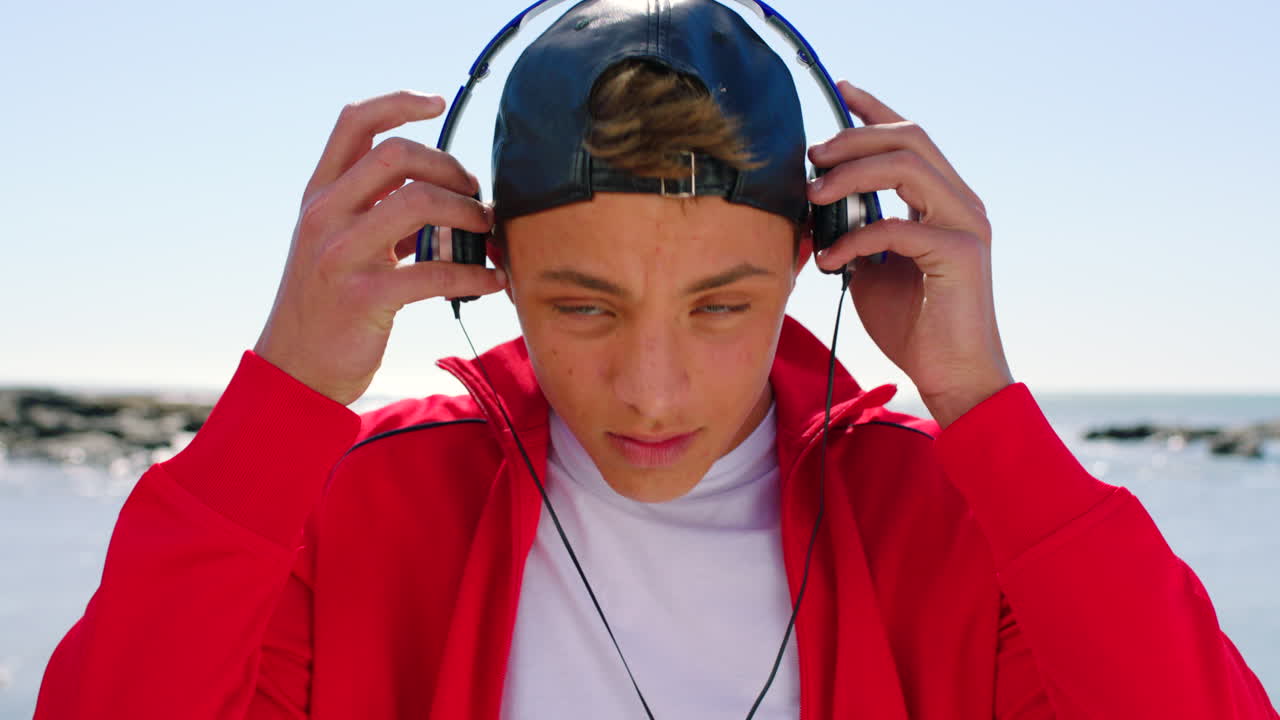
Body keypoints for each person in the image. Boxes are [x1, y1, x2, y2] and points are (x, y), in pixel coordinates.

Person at [33, 1, 1278, 718]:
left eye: (719, 306)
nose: (652, 389)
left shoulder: (941, 523)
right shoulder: (366, 511)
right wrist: (288, 396)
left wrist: (984, 408)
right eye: (582, 306)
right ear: (489, 265)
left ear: (812, 261)